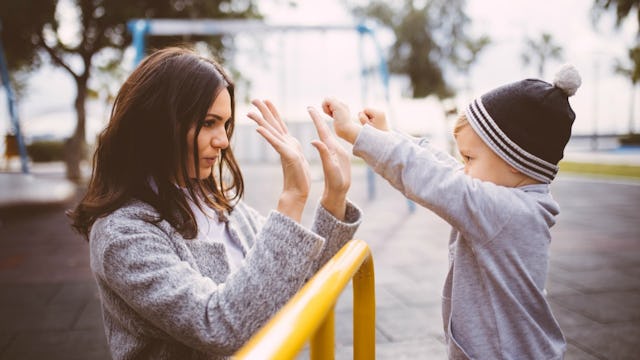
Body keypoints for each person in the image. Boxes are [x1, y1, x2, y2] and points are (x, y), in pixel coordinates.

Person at [68, 47, 361, 359]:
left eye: (225, 124)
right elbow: (219, 326)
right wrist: (292, 199)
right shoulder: (122, 234)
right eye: (209, 122)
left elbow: (296, 281)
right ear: (158, 123)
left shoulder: (222, 208)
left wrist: (334, 198)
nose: (222, 140)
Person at [322, 64, 582, 359]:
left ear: (515, 160)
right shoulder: (514, 198)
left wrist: (357, 136)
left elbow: (434, 178)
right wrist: (386, 134)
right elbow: (444, 166)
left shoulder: (506, 211)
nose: (465, 168)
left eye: (470, 157)